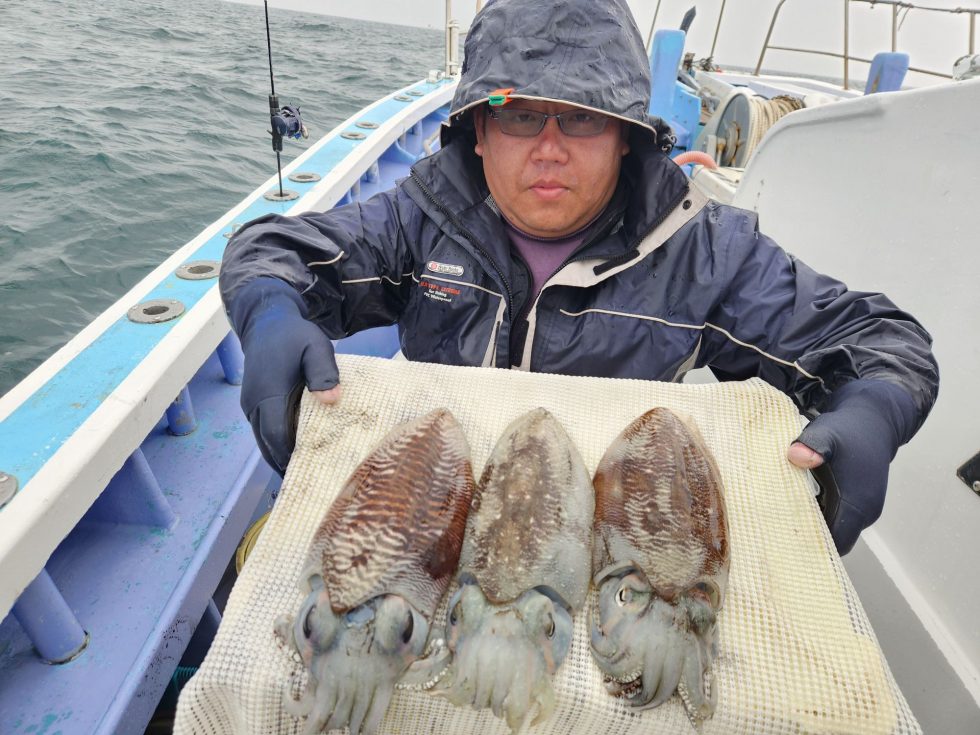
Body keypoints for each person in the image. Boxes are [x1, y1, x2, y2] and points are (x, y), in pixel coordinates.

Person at [219, 0, 938, 555]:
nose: (551, 149)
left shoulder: (703, 252)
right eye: (522, 116)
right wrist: (270, 312)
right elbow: (271, 251)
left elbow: (879, 339)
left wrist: (874, 408)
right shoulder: (421, 217)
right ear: (477, 129)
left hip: (614, 530)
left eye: (583, 120)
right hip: (435, 505)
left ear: (627, 137)